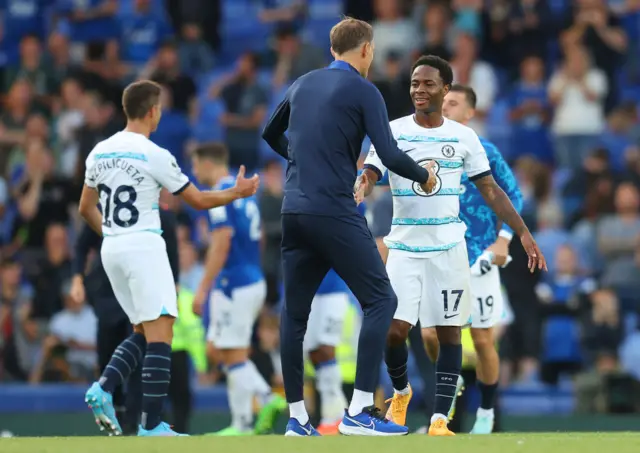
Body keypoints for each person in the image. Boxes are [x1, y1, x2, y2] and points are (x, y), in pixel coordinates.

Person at [261, 17, 434, 437]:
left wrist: (304, 162)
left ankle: (297, 418)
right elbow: (389, 154)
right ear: (366, 49)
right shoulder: (364, 89)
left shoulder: (302, 84)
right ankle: (358, 410)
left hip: (294, 211)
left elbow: (270, 133)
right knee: (380, 300)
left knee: (294, 316)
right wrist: (424, 177)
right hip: (333, 210)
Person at [356, 55, 546, 437]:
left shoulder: (464, 138)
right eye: (414, 84)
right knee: (394, 330)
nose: (419, 90)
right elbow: (371, 169)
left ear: (445, 89)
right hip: (405, 246)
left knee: (449, 332)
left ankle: (440, 420)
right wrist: (362, 183)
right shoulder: (393, 130)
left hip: (448, 247)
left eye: (428, 84)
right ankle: (401, 392)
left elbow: (491, 190)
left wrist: (520, 233)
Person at [78, 79, 260, 437]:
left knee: (144, 332)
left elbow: (85, 208)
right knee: (161, 333)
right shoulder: (154, 154)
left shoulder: (99, 151)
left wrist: (114, 234)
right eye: (159, 108)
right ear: (151, 111)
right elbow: (198, 200)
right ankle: (151, 425)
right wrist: (236, 192)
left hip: (112, 249)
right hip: (144, 247)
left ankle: (103, 388)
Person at [421, 84, 524, 434]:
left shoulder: (485, 151)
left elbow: (514, 195)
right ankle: (453, 386)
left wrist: (504, 240)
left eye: (453, 103)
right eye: (443, 102)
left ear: (469, 113)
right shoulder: (427, 147)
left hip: (478, 257)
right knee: (430, 335)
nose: (444, 107)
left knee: (482, 339)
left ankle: (486, 412)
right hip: (438, 257)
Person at [191, 143, 286, 436]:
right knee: (236, 352)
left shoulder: (220, 193)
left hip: (232, 284)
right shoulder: (241, 188)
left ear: (208, 163)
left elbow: (222, 241)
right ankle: (242, 422)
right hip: (253, 278)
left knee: (223, 351)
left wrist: (203, 289)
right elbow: (255, 240)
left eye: (195, 165)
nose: (193, 172)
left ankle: (267, 397)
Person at [71, 202, 181, 435]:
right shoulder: (114, 208)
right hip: (118, 293)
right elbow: (82, 245)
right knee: (127, 348)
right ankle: (127, 414)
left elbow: (173, 256)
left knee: (139, 353)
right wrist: (77, 279)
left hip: (123, 289)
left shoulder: (157, 214)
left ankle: (121, 409)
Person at [304, 198, 365, 435]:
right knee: (314, 351)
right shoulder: (305, 199)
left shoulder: (345, 201)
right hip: (312, 288)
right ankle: (338, 410)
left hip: (337, 288)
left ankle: (335, 415)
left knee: (327, 347)